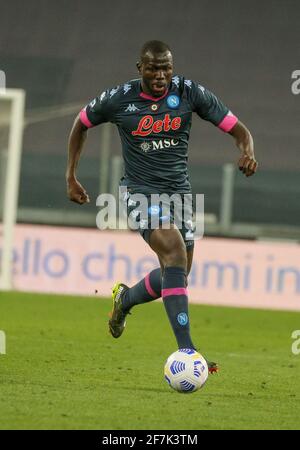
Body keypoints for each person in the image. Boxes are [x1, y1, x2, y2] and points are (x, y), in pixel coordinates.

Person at [66, 40, 258, 373]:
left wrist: (248, 151)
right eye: (153, 68)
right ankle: (187, 352)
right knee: (173, 252)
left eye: (166, 67)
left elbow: (238, 129)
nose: (161, 75)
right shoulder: (117, 99)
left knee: (178, 273)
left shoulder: (188, 93)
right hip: (139, 191)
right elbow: (81, 123)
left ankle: (125, 300)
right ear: (140, 68)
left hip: (180, 194)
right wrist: (71, 176)